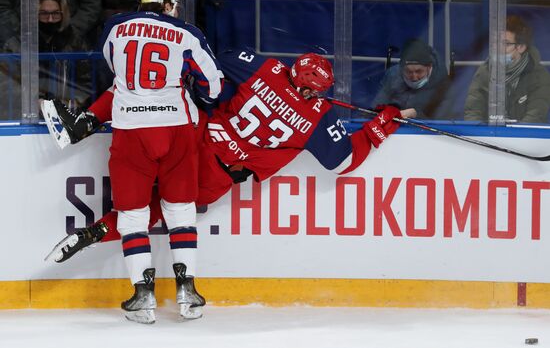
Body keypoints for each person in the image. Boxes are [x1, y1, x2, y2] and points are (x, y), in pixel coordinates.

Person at [44, 48, 415, 266]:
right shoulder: (320, 114)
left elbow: (212, 67)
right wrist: (383, 124)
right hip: (217, 176)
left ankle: (85, 121)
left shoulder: (266, 68)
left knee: (145, 87)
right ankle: (98, 232)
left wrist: (211, 97)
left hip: (194, 140)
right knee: (162, 209)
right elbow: (343, 161)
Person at [91, 0, 222, 324]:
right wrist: (196, 95)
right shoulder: (187, 33)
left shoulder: (115, 27)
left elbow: (112, 66)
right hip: (176, 128)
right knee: (181, 209)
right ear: (166, 2)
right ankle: (187, 290)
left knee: (132, 214)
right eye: (173, 3)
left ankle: (142, 295)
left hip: (130, 130)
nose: (175, 9)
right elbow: (213, 85)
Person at [464, 15, 550, 123]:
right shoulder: (484, 71)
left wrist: (513, 137)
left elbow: (535, 116)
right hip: (487, 137)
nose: (497, 49)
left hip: (521, 137)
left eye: (505, 43)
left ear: (521, 47)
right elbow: (473, 112)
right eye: (495, 43)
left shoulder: (540, 75)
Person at [371, 38, 452, 120]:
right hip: (394, 128)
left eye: (419, 71)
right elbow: (374, 109)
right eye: (408, 72)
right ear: (401, 68)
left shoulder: (443, 84)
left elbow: (445, 120)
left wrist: (416, 115)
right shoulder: (393, 76)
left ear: (429, 67)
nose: (414, 77)